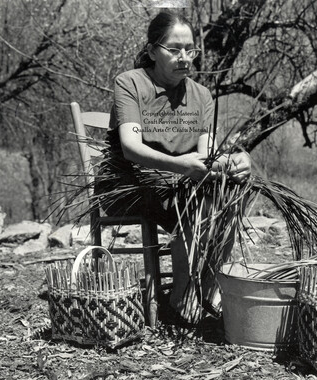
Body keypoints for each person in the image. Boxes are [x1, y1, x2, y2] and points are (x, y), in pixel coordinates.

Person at [97, 10, 251, 323]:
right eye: (174, 49)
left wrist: (236, 161)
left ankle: (204, 288)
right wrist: (181, 166)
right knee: (196, 200)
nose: (184, 58)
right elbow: (130, 148)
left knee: (232, 193)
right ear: (152, 50)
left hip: (177, 185)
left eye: (190, 50)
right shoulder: (130, 83)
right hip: (128, 183)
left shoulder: (202, 95)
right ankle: (181, 296)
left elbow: (206, 154)